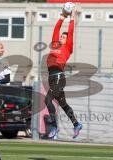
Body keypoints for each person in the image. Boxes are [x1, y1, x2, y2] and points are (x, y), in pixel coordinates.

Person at [45, 8, 82, 139]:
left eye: (63, 37)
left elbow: (71, 32)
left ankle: (54, 127)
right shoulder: (55, 45)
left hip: (58, 77)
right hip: (52, 78)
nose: (61, 37)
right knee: (63, 104)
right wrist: (62, 17)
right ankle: (76, 124)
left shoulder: (67, 47)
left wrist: (72, 17)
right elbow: (56, 30)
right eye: (61, 36)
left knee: (47, 99)